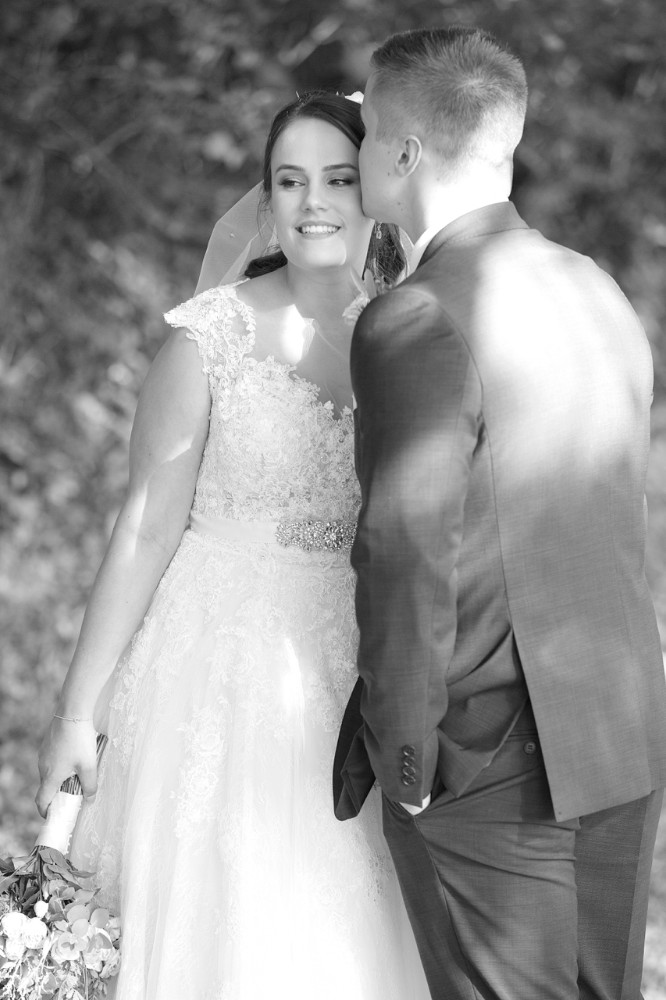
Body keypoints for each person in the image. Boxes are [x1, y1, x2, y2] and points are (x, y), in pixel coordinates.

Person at [35, 91, 430, 1000]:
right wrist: (76, 710)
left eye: (338, 178)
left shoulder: (410, 333)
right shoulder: (210, 336)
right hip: (212, 669)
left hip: (350, 670)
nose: (313, 202)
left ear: (375, 189)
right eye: (289, 181)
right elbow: (145, 523)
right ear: (266, 198)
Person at [333, 25, 666, 1000]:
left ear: (403, 153)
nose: (360, 148)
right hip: (618, 726)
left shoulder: (416, 314)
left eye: (368, 129)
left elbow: (404, 546)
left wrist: (405, 753)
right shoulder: (594, 287)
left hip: (487, 756)